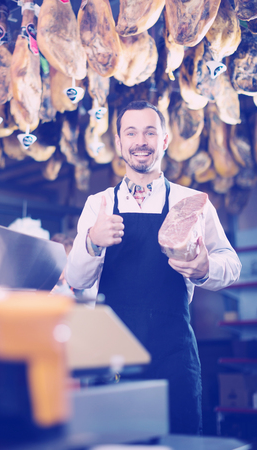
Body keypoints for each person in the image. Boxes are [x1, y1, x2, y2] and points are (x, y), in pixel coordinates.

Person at [65, 100, 242, 435]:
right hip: (112, 353)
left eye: (150, 132)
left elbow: (231, 264)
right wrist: (92, 240)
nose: (140, 141)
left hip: (173, 354)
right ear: (118, 143)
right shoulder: (98, 204)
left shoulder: (191, 202)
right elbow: (76, 278)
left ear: (164, 140)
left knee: (179, 439)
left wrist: (205, 268)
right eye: (131, 132)